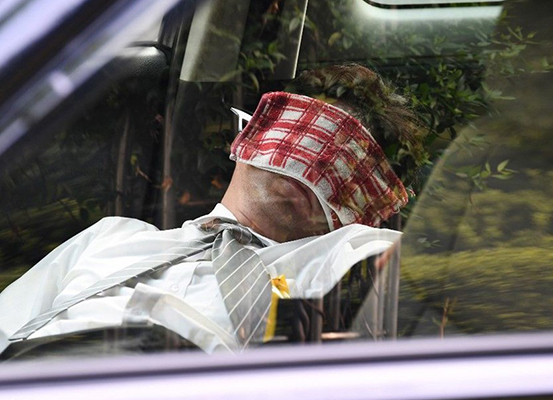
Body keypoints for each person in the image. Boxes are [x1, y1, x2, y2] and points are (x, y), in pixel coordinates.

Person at [0, 64, 425, 357]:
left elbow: (414, 277)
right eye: (311, 136)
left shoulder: (337, 262)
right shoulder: (111, 236)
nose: (315, 167)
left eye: (348, 169)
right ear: (253, 131)